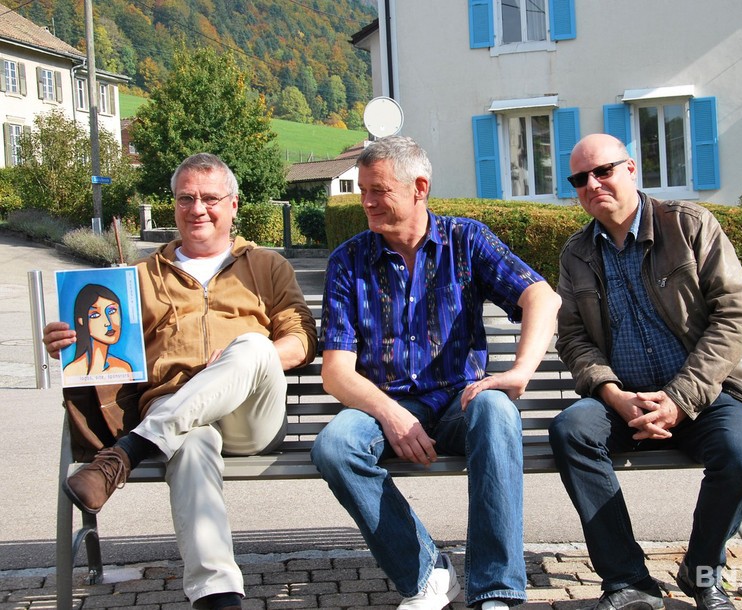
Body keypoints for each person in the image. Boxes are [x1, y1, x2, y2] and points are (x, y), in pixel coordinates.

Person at [44, 153, 317, 610]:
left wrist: (244, 357)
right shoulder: (140, 277)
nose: (198, 209)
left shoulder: (266, 266)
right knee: (189, 443)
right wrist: (67, 339)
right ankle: (218, 598)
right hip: (179, 421)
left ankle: (129, 452)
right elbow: (108, 352)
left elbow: (302, 338)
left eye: (210, 198)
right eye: (186, 198)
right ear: (174, 206)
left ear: (233, 205)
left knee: (251, 345)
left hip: (249, 415)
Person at [310, 135, 561, 610]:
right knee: (335, 446)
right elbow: (336, 373)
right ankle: (428, 573)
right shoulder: (348, 261)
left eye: (378, 190)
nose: (365, 201)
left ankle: (495, 591)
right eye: (362, 189)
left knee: (497, 410)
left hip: (457, 404)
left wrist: (520, 371)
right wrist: (392, 414)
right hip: (384, 405)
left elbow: (541, 297)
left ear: (419, 187)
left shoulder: (466, 240)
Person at [549, 134, 742, 610]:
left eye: (603, 170)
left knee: (741, 454)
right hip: (624, 402)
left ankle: (702, 571)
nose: (592, 184)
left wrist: (679, 399)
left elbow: (735, 315)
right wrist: (611, 394)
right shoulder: (576, 254)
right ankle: (628, 579)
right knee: (572, 430)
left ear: (631, 169)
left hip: (707, 394)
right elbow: (571, 338)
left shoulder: (689, 224)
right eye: (579, 178)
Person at [63, 283, 133, 378]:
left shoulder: (123, 369)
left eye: (112, 311)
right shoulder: (71, 372)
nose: (108, 322)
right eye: (95, 315)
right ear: (82, 321)